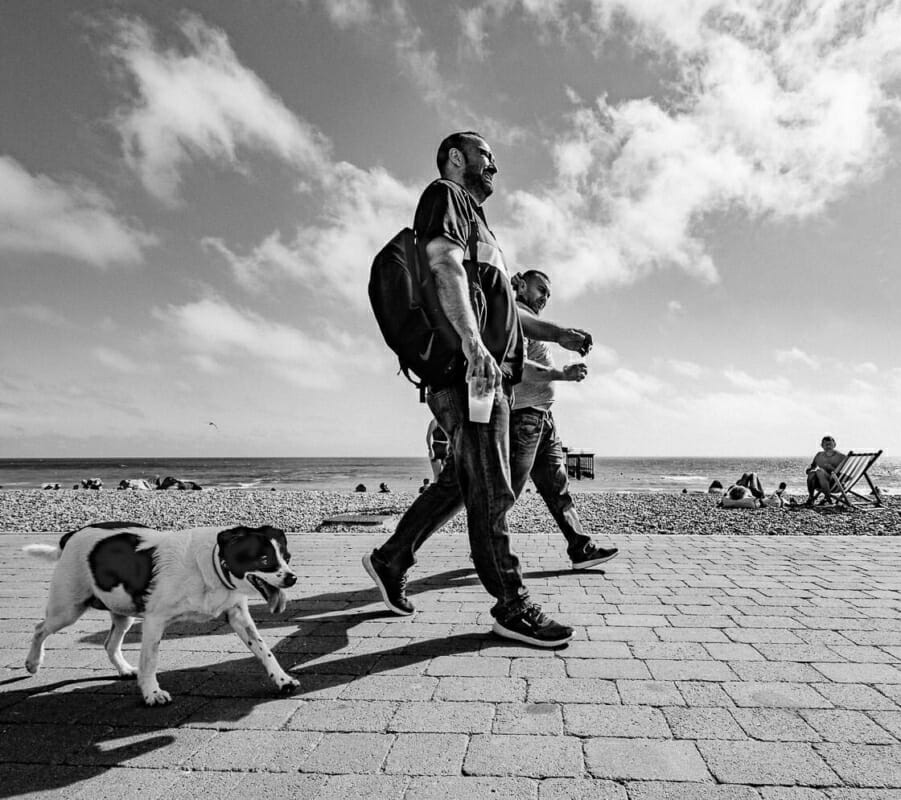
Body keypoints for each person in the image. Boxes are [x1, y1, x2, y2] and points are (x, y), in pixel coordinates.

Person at [362, 131, 573, 648]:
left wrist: (552, 338)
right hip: (468, 372)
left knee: (461, 482)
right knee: (491, 490)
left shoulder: (481, 224)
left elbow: (504, 310)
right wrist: (475, 347)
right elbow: (443, 265)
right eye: (485, 155)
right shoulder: (446, 194)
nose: (494, 165)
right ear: (458, 158)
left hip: (486, 373)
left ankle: (391, 559)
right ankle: (511, 604)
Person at [509, 269, 618, 568]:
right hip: (522, 419)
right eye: (540, 289)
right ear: (520, 284)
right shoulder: (512, 315)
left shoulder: (535, 324)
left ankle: (581, 549)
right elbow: (517, 366)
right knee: (508, 491)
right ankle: (487, 546)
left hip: (543, 420)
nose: (544, 298)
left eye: (548, 294)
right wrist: (562, 375)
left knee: (558, 488)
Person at [805, 435, 845, 505]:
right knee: (812, 473)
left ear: (834, 445)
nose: (828, 446)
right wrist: (809, 470)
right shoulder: (819, 455)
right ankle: (811, 498)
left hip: (836, 483)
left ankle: (828, 499)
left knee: (820, 471)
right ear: (822, 446)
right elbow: (812, 466)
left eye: (830, 444)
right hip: (820, 483)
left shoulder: (841, 457)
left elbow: (847, 474)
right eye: (825, 444)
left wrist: (833, 469)